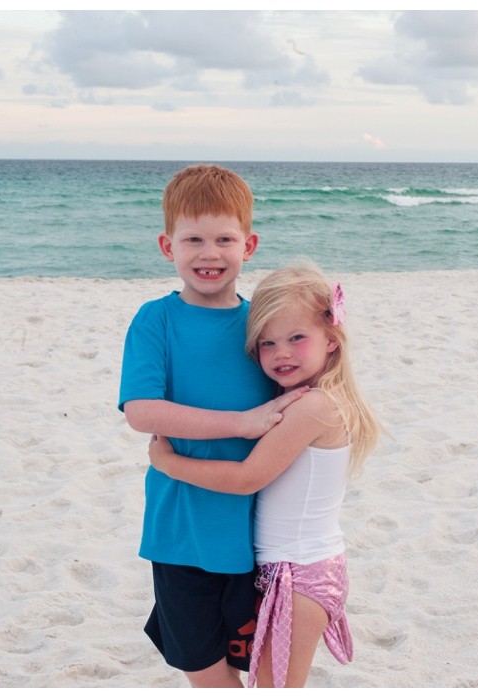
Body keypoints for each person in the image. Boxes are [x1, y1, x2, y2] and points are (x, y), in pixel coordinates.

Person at [148, 263, 381, 688]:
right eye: (267, 343)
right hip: (286, 568)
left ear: (332, 339)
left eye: (297, 338)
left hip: (300, 573)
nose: (281, 354)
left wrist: (168, 463)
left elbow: (246, 478)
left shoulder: (314, 407)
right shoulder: (302, 399)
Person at [119, 164, 306, 688]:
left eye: (224, 239)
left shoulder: (263, 325)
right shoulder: (156, 319)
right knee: (206, 675)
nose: (210, 253)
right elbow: (141, 411)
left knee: (263, 673)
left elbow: (305, 386)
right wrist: (241, 423)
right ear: (167, 246)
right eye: (193, 240)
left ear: (249, 245)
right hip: (180, 533)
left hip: (260, 535)